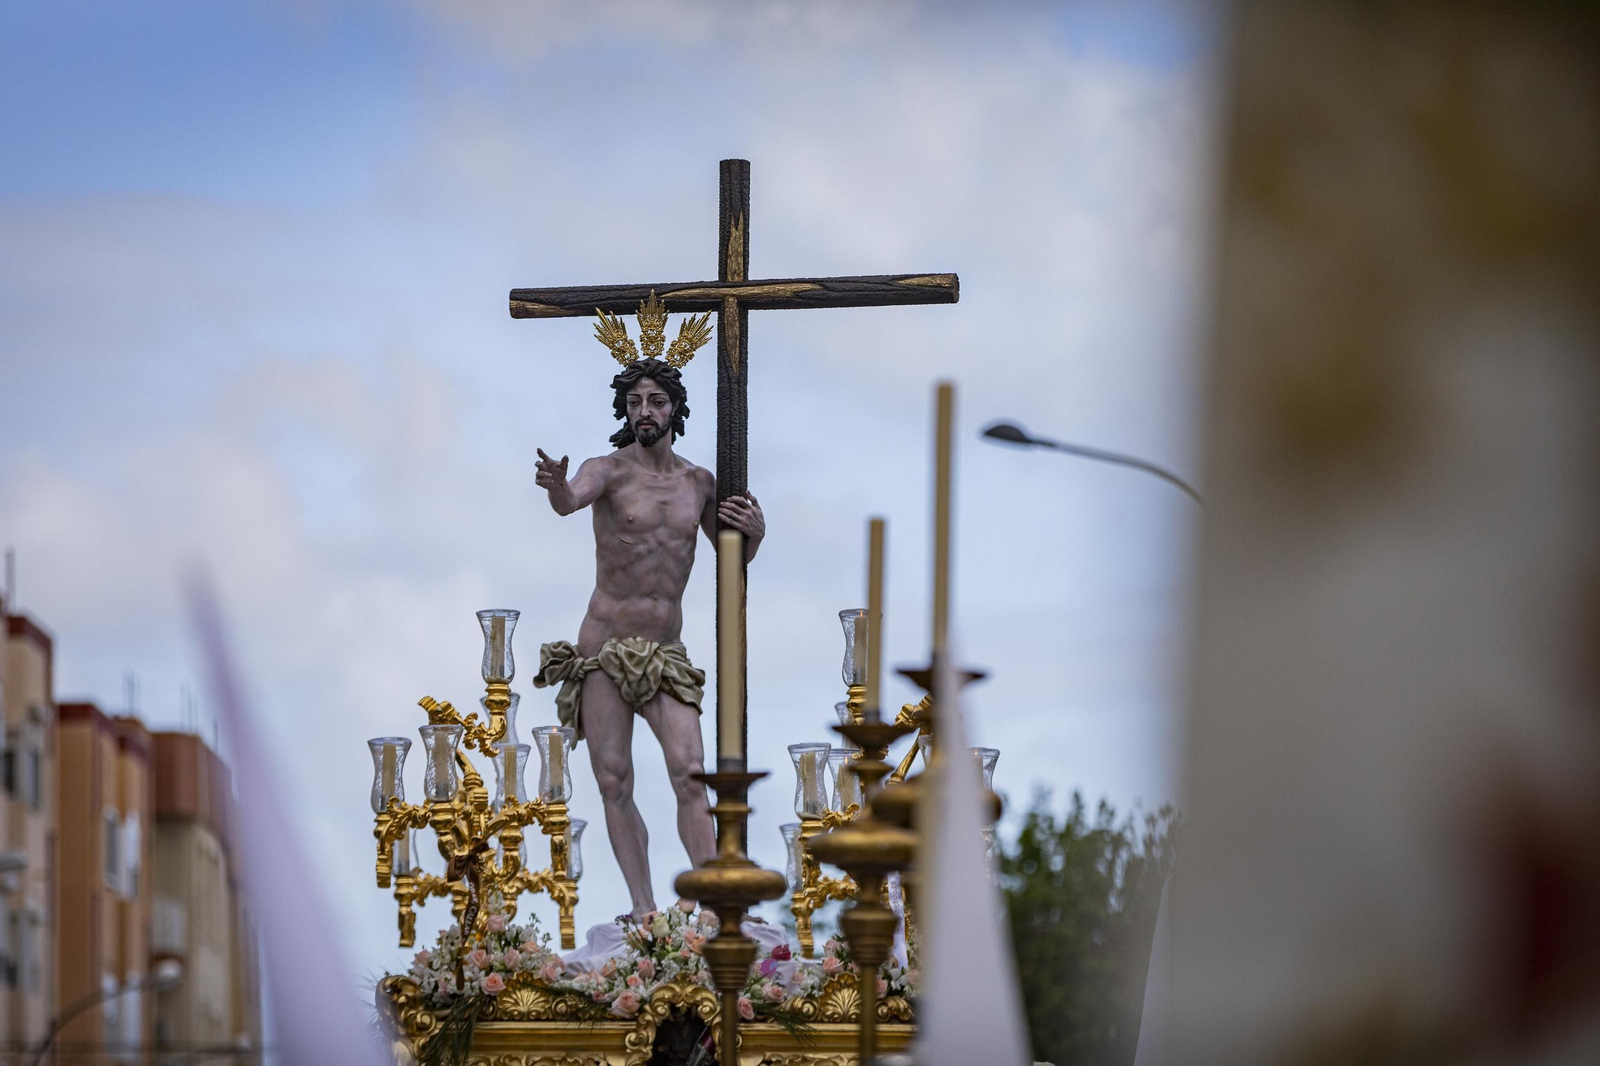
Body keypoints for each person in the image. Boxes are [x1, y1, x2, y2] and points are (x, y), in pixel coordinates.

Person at [534, 355, 763, 917]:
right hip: (604, 649)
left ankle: (713, 904)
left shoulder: (699, 483)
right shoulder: (607, 470)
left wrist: (755, 536)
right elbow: (569, 501)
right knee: (614, 780)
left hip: (664, 652)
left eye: (655, 402)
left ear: (675, 409)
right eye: (635, 402)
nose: (645, 411)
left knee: (690, 772)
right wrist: (557, 485)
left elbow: (731, 558)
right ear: (625, 410)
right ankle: (643, 908)